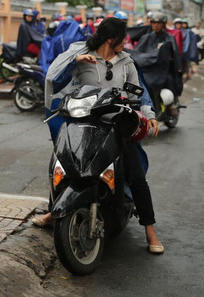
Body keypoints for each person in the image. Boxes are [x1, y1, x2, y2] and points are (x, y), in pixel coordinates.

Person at [34, 18, 165, 254]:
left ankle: (150, 230)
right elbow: (55, 80)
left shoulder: (127, 61)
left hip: (117, 126)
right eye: (123, 38)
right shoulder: (80, 54)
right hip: (83, 125)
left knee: (135, 175)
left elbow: (140, 90)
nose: (126, 42)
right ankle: (55, 212)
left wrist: (150, 114)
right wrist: (75, 61)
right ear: (111, 39)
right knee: (62, 165)